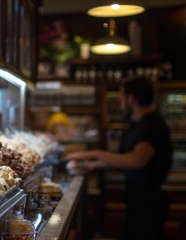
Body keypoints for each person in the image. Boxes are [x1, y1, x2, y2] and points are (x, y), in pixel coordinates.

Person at [65, 77, 172, 240]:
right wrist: (95, 164)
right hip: (136, 198)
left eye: (122, 96)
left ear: (131, 99)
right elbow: (124, 159)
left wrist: (94, 154)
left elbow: (136, 160)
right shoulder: (138, 123)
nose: (120, 102)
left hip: (148, 203)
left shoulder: (153, 125)